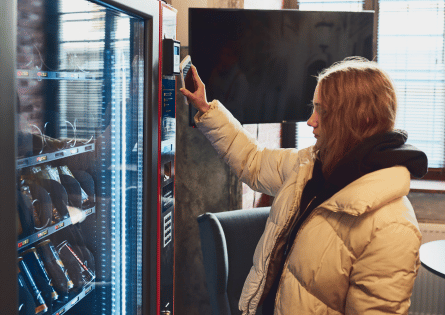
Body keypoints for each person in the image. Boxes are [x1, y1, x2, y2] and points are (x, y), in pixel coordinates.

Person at [180, 56, 428, 315]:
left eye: (322, 110)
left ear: (357, 119)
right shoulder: (311, 164)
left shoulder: (392, 226)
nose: (311, 120)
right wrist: (206, 109)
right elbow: (252, 161)